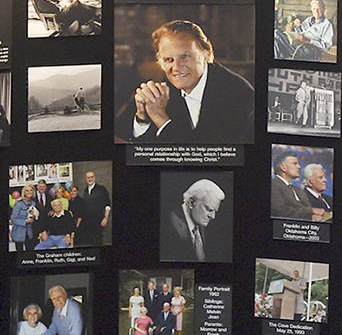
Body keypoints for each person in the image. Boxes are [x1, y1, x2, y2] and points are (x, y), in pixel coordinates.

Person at [121, 20, 254, 144]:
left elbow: (206, 156)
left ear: (206, 54)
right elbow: (129, 141)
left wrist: (160, 117)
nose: (176, 68)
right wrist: (142, 117)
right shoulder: (168, 85)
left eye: (184, 57)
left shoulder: (238, 93)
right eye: (168, 60)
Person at [166, 176, 227, 260]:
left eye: (215, 211)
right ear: (191, 203)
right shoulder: (170, 226)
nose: (213, 216)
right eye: (209, 209)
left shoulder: (199, 220)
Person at [71, 168, 112, 247]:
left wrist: (106, 218)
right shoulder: (86, 190)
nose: (90, 179)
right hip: (87, 221)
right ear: (86, 179)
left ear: (94, 178)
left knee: (98, 241)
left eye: (91, 177)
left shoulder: (102, 189)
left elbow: (107, 204)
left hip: (98, 220)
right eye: (88, 177)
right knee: (88, 241)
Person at [270, 151, 305, 219]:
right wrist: (311, 212)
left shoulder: (297, 189)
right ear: (283, 167)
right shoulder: (273, 186)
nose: (299, 167)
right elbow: (281, 212)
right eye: (295, 164)